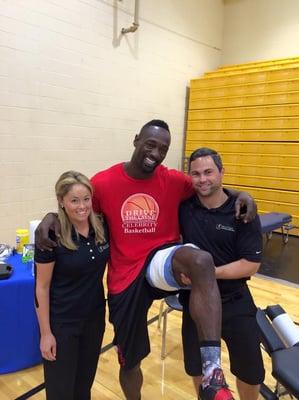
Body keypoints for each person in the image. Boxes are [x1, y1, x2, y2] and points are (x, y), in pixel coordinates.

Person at [36, 120, 256, 400]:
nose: (156, 152)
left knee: (200, 261)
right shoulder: (104, 182)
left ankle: (212, 372)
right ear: (136, 139)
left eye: (163, 148)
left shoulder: (174, 180)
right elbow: (76, 201)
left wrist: (244, 194)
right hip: (125, 278)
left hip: (161, 260)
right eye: (150, 144)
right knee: (131, 361)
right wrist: (51, 216)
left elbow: (210, 186)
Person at [179, 148, 265, 400]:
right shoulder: (184, 208)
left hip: (235, 301)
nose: (202, 179)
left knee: (251, 372)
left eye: (208, 172)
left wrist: (208, 273)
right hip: (196, 303)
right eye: (195, 173)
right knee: (198, 368)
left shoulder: (242, 211)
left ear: (221, 173)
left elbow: (251, 264)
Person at [34, 171, 109, 400]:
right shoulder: (51, 236)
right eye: (74, 200)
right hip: (62, 325)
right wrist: (46, 334)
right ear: (61, 201)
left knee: (83, 387)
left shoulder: (103, 227)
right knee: (60, 392)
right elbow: (41, 288)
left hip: (94, 320)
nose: (82, 206)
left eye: (86, 199)